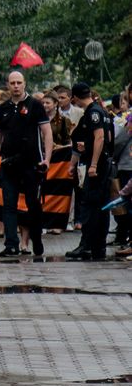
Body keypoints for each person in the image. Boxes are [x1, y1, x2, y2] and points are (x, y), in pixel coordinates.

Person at [0, 70, 52, 259]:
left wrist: (47, 159)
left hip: (31, 163)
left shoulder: (35, 105)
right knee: (9, 204)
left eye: (19, 82)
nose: (16, 86)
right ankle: (11, 244)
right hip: (9, 164)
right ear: (7, 85)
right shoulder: (3, 108)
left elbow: (47, 132)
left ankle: (36, 239)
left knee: (33, 204)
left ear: (24, 84)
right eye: (12, 83)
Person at [66, 81, 115, 260]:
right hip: (100, 164)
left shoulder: (94, 112)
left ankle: (88, 244)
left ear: (76, 97)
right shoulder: (100, 111)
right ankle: (97, 247)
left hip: (98, 167)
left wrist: (93, 164)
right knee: (99, 206)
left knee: (90, 205)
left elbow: (100, 138)